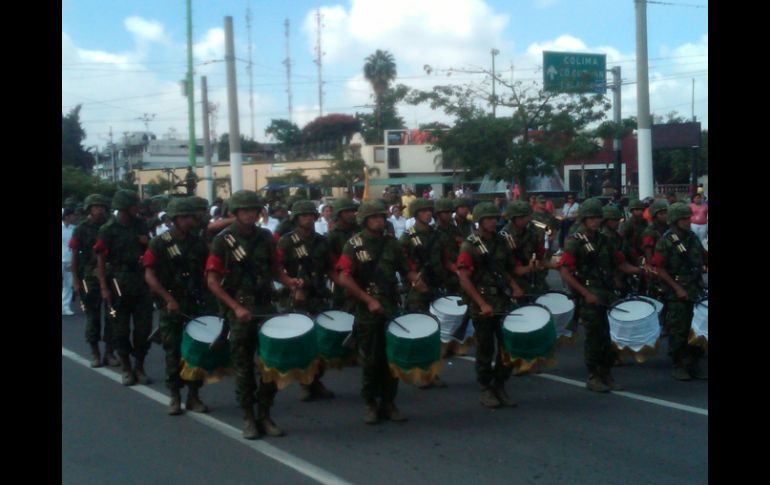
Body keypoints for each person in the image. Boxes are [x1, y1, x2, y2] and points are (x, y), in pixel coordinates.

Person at [206, 190, 302, 439]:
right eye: (244, 210)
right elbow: (213, 281)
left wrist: (290, 281)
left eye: (253, 210)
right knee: (244, 366)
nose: (249, 214)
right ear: (235, 213)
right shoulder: (223, 240)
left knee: (270, 362)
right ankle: (249, 417)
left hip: (265, 307)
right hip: (240, 309)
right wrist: (235, 307)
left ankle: (265, 413)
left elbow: (275, 269)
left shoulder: (266, 237)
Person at [335, 200, 426, 424]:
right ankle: (370, 403)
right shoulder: (353, 245)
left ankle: (389, 402)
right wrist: (367, 300)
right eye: (374, 217)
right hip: (367, 310)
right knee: (371, 359)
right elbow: (343, 277)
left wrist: (418, 282)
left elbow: (406, 270)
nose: (379, 220)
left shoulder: (391, 244)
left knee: (391, 357)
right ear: (364, 221)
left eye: (381, 217)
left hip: (390, 306)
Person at [558, 198, 647, 393]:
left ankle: (606, 373)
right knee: (594, 338)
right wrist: (585, 294)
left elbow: (620, 264)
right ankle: (593, 375)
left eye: (598, 217)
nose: (595, 221)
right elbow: (565, 272)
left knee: (608, 337)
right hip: (589, 295)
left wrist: (641, 270)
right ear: (584, 219)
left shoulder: (604, 240)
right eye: (591, 218)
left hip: (606, 294)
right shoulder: (575, 241)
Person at [143, 198, 210, 415]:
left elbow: (206, 273)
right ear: (174, 219)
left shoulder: (198, 243)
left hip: (194, 303)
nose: (187, 220)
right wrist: (167, 299)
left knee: (195, 351)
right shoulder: (160, 242)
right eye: (183, 217)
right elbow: (149, 274)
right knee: (173, 351)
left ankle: (194, 395)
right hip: (171, 304)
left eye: (190, 216)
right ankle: (174, 395)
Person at [457, 203, 524, 408]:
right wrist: (481, 303)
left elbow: (504, 269)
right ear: (479, 221)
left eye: (495, 217)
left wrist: (514, 286)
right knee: (485, 349)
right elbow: (464, 278)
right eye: (488, 218)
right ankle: (486, 388)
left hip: (502, 301)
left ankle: (500, 385)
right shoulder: (470, 245)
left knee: (508, 346)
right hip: (483, 303)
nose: (493, 221)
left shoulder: (501, 241)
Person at [276, 200, 335, 402]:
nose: (308, 219)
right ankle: (305, 382)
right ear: (296, 218)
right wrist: (292, 286)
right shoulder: (287, 241)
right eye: (303, 216)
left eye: (310, 215)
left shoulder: (321, 241)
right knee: (302, 341)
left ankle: (316, 379)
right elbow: (277, 269)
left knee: (321, 341)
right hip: (297, 297)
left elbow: (329, 269)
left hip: (318, 294)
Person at [94, 190, 154, 386]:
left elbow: (150, 253)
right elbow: (100, 261)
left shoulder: (141, 225)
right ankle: (127, 368)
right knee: (119, 330)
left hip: (141, 281)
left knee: (143, 329)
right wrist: (103, 287)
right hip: (117, 283)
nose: (138, 208)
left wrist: (147, 243)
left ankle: (139, 366)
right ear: (125, 207)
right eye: (134, 205)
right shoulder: (107, 229)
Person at [651, 203, 708, 381]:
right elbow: (659, 268)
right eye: (683, 218)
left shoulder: (692, 237)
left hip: (695, 289)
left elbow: (703, 256)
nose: (687, 221)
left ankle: (693, 362)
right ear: (675, 220)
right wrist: (677, 288)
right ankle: (679, 364)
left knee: (696, 328)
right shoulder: (666, 241)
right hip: (677, 292)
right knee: (679, 329)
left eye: (688, 217)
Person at [399, 199, 448, 389]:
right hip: (417, 291)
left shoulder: (437, 235)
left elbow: (444, 260)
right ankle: (418, 371)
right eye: (424, 211)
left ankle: (431, 372)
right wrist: (414, 282)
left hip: (436, 287)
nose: (428, 214)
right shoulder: (407, 238)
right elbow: (403, 265)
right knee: (419, 331)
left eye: (430, 210)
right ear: (416, 214)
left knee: (435, 331)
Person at [70, 194, 118, 367]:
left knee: (113, 315)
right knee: (92, 316)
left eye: (102, 206)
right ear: (89, 208)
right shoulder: (81, 229)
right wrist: (75, 280)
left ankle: (110, 352)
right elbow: (75, 256)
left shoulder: (111, 226)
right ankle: (95, 352)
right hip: (88, 277)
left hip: (111, 275)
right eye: (96, 206)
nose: (100, 209)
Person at [502, 201, 552, 297]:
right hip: (515, 283)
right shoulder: (504, 237)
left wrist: (556, 265)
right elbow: (504, 268)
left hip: (532, 278)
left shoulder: (530, 233)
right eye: (523, 217)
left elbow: (539, 257)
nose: (527, 219)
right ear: (514, 218)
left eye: (528, 216)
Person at [327, 198, 360, 311]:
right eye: (347, 212)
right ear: (339, 214)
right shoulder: (332, 236)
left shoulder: (360, 230)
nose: (351, 214)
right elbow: (330, 265)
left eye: (352, 211)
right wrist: (343, 283)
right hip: (343, 282)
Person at [62, 207, 77, 316]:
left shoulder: (74, 228)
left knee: (68, 284)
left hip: (69, 259)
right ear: (67, 216)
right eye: (72, 215)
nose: (74, 217)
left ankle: (65, 306)